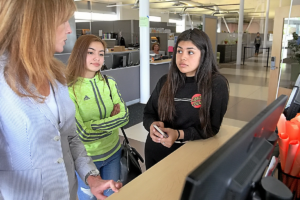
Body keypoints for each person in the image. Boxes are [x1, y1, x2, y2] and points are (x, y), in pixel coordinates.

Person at [0, 1, 122, 200]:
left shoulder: (57, 76)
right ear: (37, 23)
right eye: (63, 21)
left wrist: (92, 178)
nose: (68, 29)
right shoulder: (3, 82)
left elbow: (70, 136)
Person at [143, 29, 229, 169]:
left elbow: (212, 128)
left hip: (191, 153)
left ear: (204, 54)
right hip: (157, 151)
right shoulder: (165, 81)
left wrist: (178, 134)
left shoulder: (216, 84)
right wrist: (151, 126)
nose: (182, 57)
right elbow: (148, 113)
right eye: (179, 51)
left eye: (190, 52)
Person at [66, 35, 129, 199]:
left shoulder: (109, 82)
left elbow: (125, 117)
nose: (97, 58)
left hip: (113, 152)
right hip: (85, 159)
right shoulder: (69, 90)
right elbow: (82, 134)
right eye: (91, 52)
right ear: (79, 54)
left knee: (110, 196)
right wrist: (111, 122)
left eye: (101, 54)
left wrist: (92, 124)